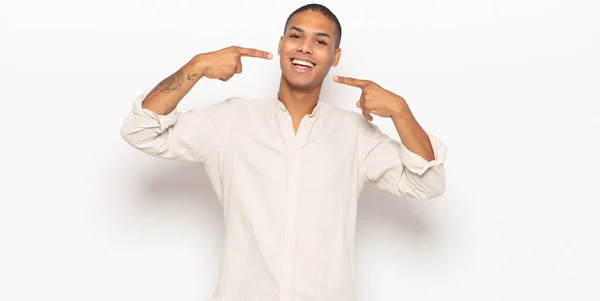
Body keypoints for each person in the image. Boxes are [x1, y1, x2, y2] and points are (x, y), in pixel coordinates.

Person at [120, 3, 447, 301]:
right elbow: (141, 130)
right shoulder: (230, 121)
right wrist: (199, 65)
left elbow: (427, 184)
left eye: (320, 41)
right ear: (281, 45)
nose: (305, 47)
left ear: (335, 57)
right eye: (296, 36)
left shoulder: (354, 134)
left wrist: (401, 113)